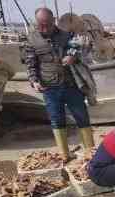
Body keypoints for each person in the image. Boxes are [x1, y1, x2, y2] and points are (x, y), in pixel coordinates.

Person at [25, 7, 94, 161]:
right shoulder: (32, 40)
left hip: (71, 86)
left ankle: (91, 152)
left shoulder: (67, 35)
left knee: (82, 117)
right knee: (56, 120)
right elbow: (30, 64)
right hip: (49, 88)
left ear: (54, 20)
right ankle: (64, 154)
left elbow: (81, 49)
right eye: (40, 24)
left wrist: (72, 57)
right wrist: (34, 81)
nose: (44, 28)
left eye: (47, 24)